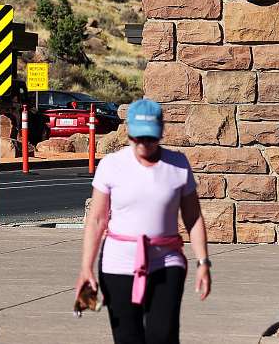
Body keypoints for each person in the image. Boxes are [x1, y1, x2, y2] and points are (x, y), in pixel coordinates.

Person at [75, 98, 211, 344]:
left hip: (166, 261)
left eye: (150, 138)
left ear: (161, 133)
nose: (143, 144)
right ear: (128, 133)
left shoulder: (178, 165)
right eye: (138, 137)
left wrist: (203, 262)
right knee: (128, 338)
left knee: (162, 336)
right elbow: (96, 219)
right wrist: (86, 268)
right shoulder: (111, 165)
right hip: (118, 263)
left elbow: (193, 217)